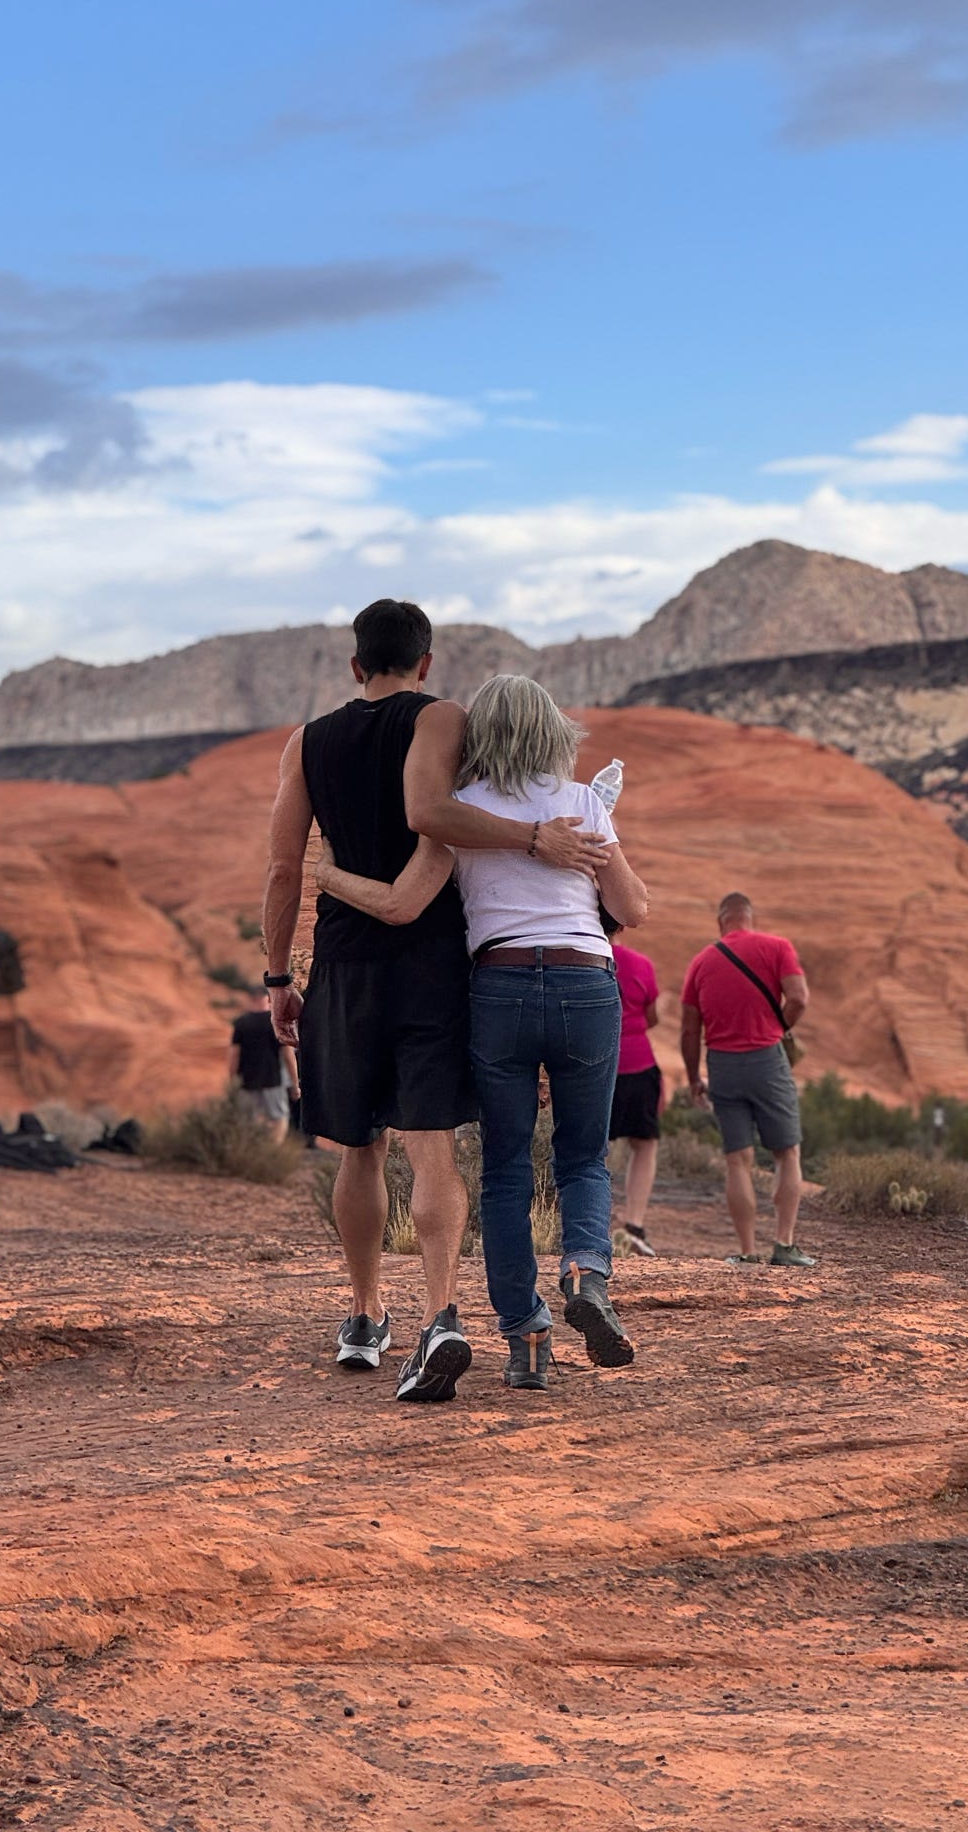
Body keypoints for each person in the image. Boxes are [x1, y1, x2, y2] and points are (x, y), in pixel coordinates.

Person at [262, 602, 609, 1407]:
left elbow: (284, 868)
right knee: (431, 1149)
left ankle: (363, 1314)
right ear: (425, 662)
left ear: (356, 666)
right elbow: (443, 814)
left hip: (346, 963)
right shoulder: (443, 719)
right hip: (431, 964)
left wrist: (278, 978)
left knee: (356, 1146)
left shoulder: (306, 743)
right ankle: (441, 1315)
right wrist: (535, 842)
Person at [316, 673, 649, 1391]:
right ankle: (586, 1274)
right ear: (553, 731)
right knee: (584, 1158)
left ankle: (526, 1341)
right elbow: (632, 905)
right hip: (585, 981)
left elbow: (405, 904)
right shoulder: (581, 801)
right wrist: (596, 852)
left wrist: (331, 877)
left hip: (498, 988)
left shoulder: (460, 811)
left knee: (504, 1172)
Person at [680, 892, 815, 1268]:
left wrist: (694, 1078)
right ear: (749, 918)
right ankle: (784, 1245)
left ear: (721, 921)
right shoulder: (776, 947)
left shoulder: (702, 962)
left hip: (722, 1064)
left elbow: (690, 1031)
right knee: (786, 1153)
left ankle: (747, 1251)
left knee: (737, 1160)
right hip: (766, 1061)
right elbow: (799, 999)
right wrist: (778, 1027)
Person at [609, 933, 662, 1257]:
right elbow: (652, 1016)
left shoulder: (575, 957)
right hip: (639, 1064)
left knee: (590, 1148)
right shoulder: (641, 965)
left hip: (595, 1066)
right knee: (644, 1145)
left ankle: (590, 1226)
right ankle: (634, 1225)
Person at [228, 985, 298, 1143]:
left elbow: (234, 1055)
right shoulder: (275, 1022)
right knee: (279, 1118)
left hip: (246, 1081)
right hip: (273, 1080)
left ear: (251, 999)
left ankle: (251, 1152)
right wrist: (294, 1083)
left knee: (247, 1121)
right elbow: (287, 1055)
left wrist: (232, 1081)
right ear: (269, 999)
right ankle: (273, 1151)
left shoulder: (240, 1023)